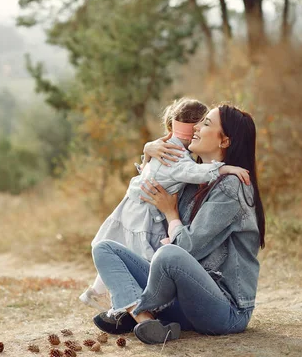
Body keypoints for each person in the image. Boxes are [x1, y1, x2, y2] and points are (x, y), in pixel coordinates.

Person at [90, 105, 266, 345]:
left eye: (205, 124)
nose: (195, 127)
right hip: (185, 302)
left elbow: (185, 250)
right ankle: (144, 320)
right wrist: (148, 151)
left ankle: (130, 309)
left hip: (226, 311)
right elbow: (150, 181)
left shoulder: (231, 187)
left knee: (169, 254)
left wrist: (171, 214)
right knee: (104, 248)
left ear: (224, 141)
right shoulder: (191, 180)